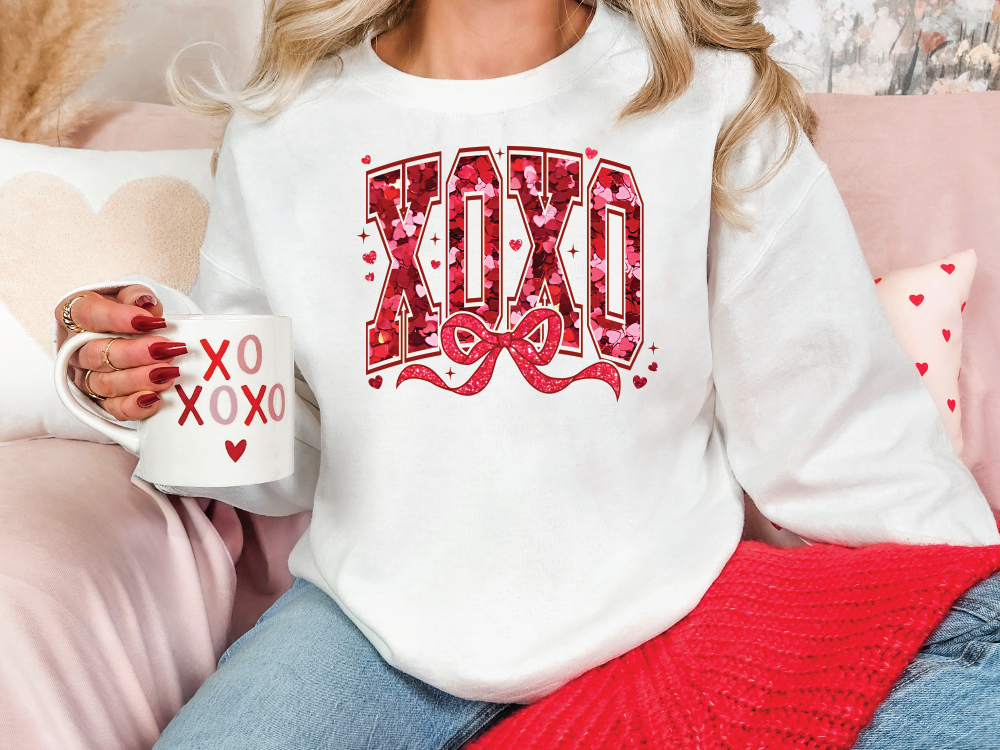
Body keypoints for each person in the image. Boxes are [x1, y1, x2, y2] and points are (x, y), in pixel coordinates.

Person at [53, 0, 1000, 747]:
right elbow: (285, 454)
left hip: (672, 608)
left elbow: (826, 415)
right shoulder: (289, 126)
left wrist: (969, 598)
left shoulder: (712, 97)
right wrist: (155, 382)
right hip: (367, 629)